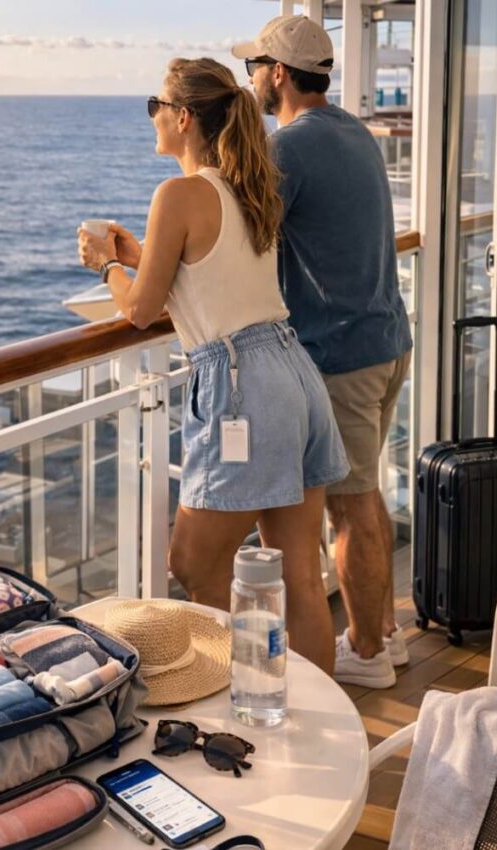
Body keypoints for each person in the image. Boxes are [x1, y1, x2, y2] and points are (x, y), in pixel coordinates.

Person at [78, 57, 348, 675]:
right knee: (300, 572)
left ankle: (232, 708)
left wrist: (105, 265)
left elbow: (143, 309)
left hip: (242, 387)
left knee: (196, 565)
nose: (151, 117)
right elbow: (210, 273)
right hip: (291, 371)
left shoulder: (177, 193)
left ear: (181, 116)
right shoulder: (242, 185)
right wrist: (141, 255)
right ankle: (311, 725)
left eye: (155, 106)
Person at [232, 16, 413, 689]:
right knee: (364, 499)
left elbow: (239, 240)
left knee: (353, 506)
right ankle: (384, 636)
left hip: (342, 357)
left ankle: (367, 652)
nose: (249, 75)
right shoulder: (353, 132)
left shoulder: (291, 147)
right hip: (388, 340)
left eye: (254, 64)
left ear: (278, 73)